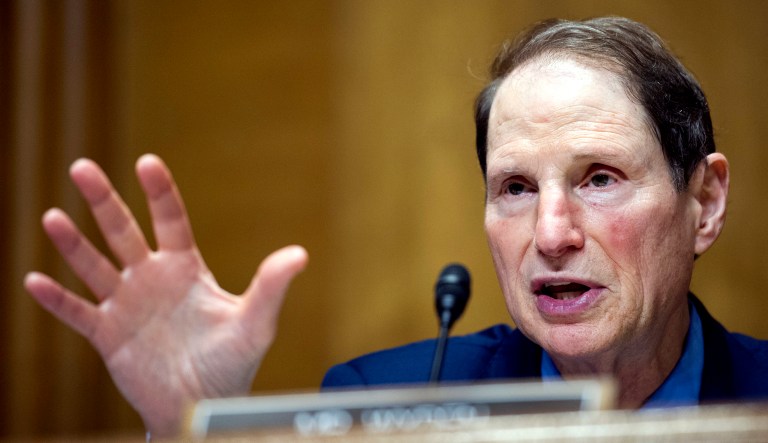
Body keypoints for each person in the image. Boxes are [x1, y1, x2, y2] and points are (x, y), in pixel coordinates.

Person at [23, 16, 768, 438]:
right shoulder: (383, 402)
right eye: (513, 187)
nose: (550, 233)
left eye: (599, 179)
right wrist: (188, 425)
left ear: (703, 201)